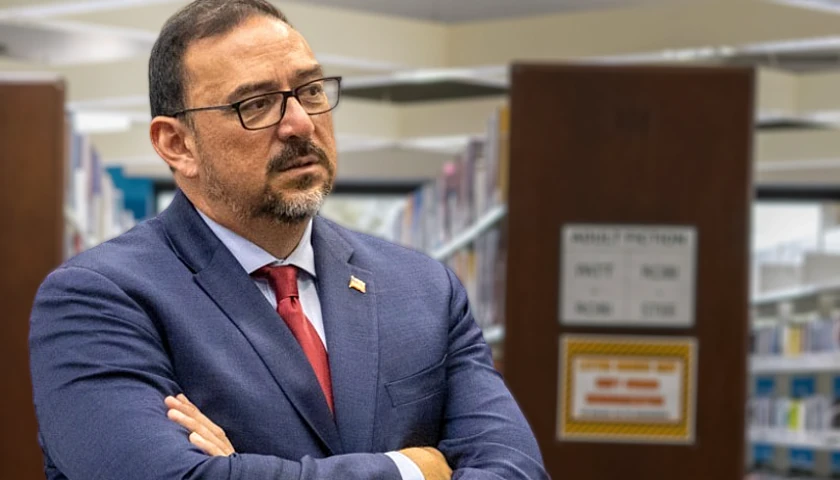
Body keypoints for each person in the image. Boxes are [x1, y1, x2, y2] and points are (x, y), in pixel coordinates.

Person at [28, 1, 548, 479]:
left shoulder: (424, 290)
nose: (299, 123)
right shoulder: (98, 299)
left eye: (311, 91)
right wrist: (414, 470)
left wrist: (239, 468)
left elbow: (518, 471)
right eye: (256, 104)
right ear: (177, 144)